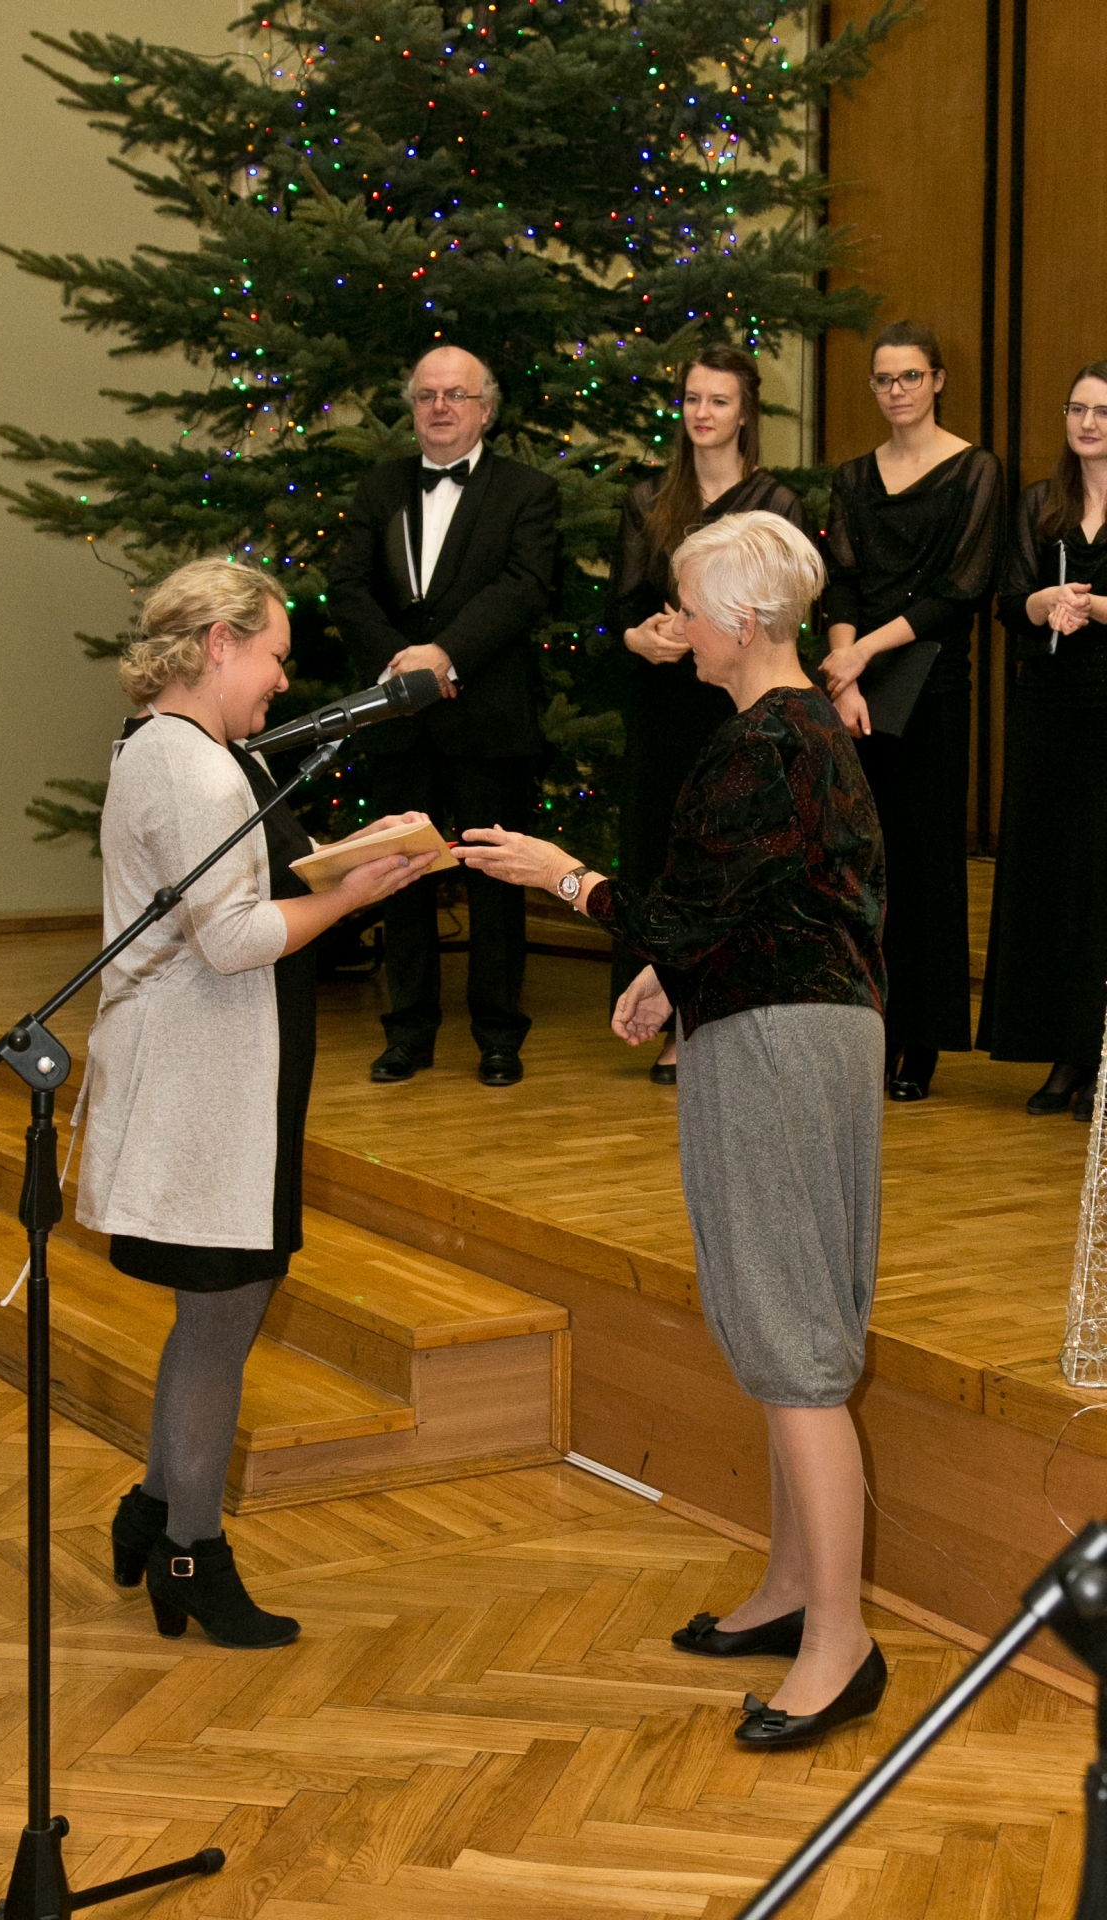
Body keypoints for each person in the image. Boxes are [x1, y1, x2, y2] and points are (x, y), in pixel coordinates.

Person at [456, 512, 889, 1750]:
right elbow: (768, 905)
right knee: (782, 1321)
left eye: (689, 609)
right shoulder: (809, 730)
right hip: (803, 1024)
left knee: (791, 1339)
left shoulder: (758, 743)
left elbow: (678, 909)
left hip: (777, 1043)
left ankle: (840, 1645)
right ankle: (793, 1586)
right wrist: (669, 976)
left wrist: (561, 876)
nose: (677, 628)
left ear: (743, 619)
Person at [76, 559, 436, 1648]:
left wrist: (342, 867)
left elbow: (239, 891)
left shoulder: (178, 748)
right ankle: (191, 1552)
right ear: (219, 644)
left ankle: (153, 1511)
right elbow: (231, 939)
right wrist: (352, 894)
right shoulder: (196, 770)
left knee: (223, 1306)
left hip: (219, 1073)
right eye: (274, 656)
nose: (283, 681)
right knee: (224, 1311)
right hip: (202, 1084)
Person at [328, 345, 560, 1088]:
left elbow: (524, 588)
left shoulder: (527, 491)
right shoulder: (379, 487)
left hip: (489, 716)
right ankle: (408, 1033)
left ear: (485, 409)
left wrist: (447, 657)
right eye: (427, 394)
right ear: (412, 406)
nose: (439, 407)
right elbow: (346, 586)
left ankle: (498, 1036)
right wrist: (404, 667)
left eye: (456, 395)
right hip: (399, 718)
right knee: (399, 878)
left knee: (496, 882)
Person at [611, 345, 807, 1086]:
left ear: (745, 412)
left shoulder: (775, 503)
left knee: (723, 853)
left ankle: (712, 1011)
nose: (702, 413)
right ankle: (661, 1013)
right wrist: (641, 639)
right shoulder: (648, 498)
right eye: (692, 398)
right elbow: (623, 610)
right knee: (660, 852)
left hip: (734, 701)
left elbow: (786, 612)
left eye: (718, 400)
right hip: (664, 699)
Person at [821, 321, 1004, 1100]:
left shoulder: (975, 471)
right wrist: (844, 676)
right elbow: (840, 583)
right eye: (884, 379)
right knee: (857, 866)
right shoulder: (853, 477)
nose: (896, 391)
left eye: (910, 377)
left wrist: (861, 653)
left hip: (932, 690)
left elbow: (959, 591)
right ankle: (866, 1029)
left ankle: (920, 1038)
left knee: (924, 868)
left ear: (937, 381)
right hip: (856, 697)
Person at [978, 359, 1107, 1119]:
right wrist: (1044, 601)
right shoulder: (1039, 502)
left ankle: (1098, 1056)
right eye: (1076, 409)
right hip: (1048, 710)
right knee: (1052, 881)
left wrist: (1091, 608)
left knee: (1100, 883)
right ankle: (1064, 1051)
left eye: (1102, 411)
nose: (1087, 423)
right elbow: (1007, 601)